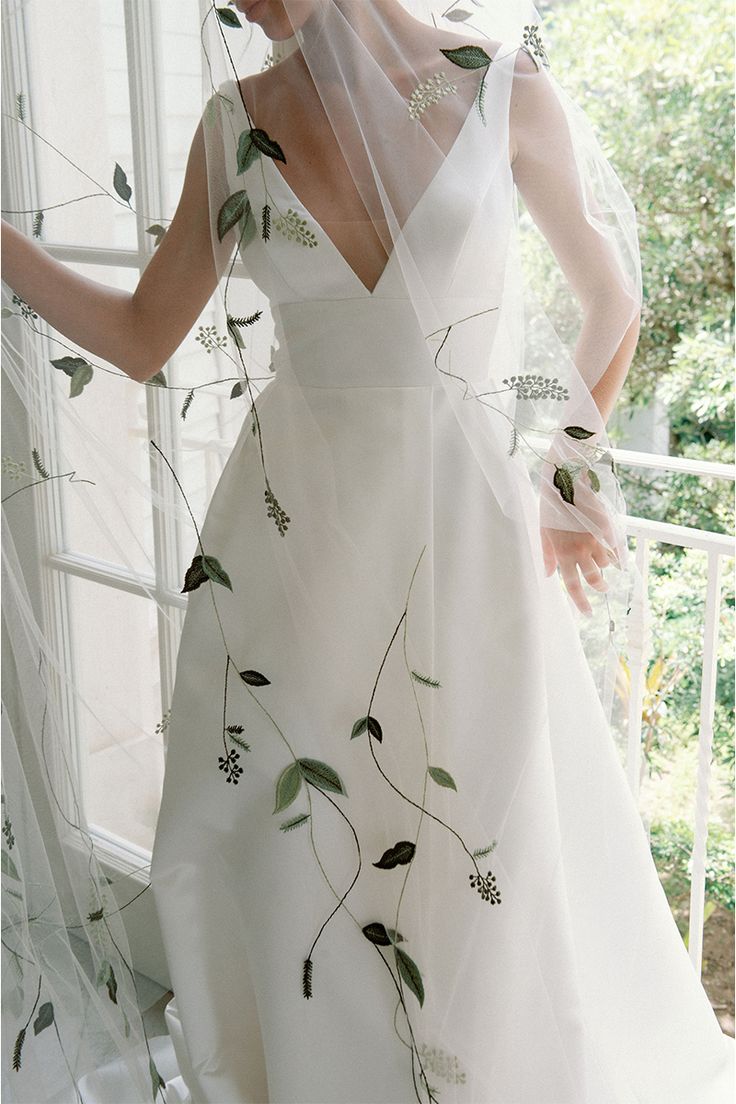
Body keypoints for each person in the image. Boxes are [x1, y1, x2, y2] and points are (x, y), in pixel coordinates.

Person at [1, 2, 733, 1102]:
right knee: (274, 831)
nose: (233, 10)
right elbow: (147, 339)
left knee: (469, 823)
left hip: (456, 530)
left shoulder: (492, 86)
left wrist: (567, 461)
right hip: (293, 542)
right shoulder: (237, 123)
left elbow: (603, 304)